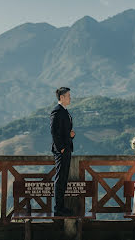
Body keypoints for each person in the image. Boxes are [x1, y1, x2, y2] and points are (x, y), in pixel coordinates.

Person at [50, 87, 75, 216]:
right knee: (60, 179)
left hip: (66, 148)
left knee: (64, 179)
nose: (70, 98)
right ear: (62, 97)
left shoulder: (64, 111)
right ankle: (58, 209)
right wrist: (61, 148)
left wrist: (70, 135)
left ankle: (61, 207)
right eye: (68, 95)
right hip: (62, 151)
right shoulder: (57, 111)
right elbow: (54, 132)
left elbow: (63, 131)